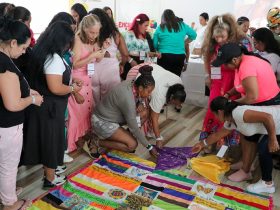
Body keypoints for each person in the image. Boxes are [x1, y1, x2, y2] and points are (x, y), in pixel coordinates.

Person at [21, 21, 81, 189]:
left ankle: (51, 173)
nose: (69, 45)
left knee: (49, 140)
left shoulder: (45, 53)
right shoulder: (53, 57)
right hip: (50, 108)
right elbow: (55, 87)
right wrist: (72, 88)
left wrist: (69, 81)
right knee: (50, 141)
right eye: (68, 41)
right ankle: (50, 178)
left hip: (46, 107)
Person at [211, 42, 280, 181]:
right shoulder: (246, 61)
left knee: (250, 137)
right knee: (246, 134)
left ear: (235, 60)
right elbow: (242, 85)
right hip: (265, 100)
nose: (224, 66)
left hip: (267, 102)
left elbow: (252, 96)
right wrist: (228, 94)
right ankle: (246, 163)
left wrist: (232, 104)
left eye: (225, 63)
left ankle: (246, 169)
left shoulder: (246, 66)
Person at [192, 96, 280, 194]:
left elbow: (268, 117)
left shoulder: (238, 113)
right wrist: (201, 144)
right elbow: (218, 135)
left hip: (277, 122)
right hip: (275, 123)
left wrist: (273, 139)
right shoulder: (231, 119)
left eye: (214, 114)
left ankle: (267, 184)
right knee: (252, 139)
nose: (215, 118)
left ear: (220, 112)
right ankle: (247, 168)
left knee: (264, 149)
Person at [0, 18, 43, 210]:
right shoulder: (5, 66)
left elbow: (12, 91)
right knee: (8, 166)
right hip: (7, 126)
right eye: (23, 48)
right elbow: (13, 104)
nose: (24, 52)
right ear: (13, 42)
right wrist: (32, 100)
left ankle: (5, 192)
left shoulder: (5, 59)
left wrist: (27, 91)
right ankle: (10, 203)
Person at [200, 14, 245, 150]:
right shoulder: (211, 45)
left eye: (222, 37)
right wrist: (207, 75)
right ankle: (209, 141)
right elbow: (207, 59)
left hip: (233, 81)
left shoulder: (238, 44)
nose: (219, 39)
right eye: (216, 36)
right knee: (213, 109)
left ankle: (225, 143)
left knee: (228, 110)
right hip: (216, 82)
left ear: (229, 33)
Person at [91, 65, 158, 157]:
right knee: (132, 145)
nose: (149, 94)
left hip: (114, 116)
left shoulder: (133, 83)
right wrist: (149, 147)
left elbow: (136, 101)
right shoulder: (127, 98)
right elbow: (134, 127)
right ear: (141, 88)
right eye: (148, 91)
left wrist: (139, 103)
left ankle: (125, 135)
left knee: (144, 112)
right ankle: (95, 142)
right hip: (102, 121)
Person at [67, 14, 105, 152]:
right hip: (77, 82)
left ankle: (82, 140)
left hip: (88, 80)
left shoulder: (92, 40)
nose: (94, 35)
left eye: (97, 32)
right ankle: (70, 145)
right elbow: (75, 65)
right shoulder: (77, 40)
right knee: (76, 115)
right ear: (84, 29)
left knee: (86, 113)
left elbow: (98, 60)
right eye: (91, 32)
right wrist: (92, 56)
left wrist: (102, 51)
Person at [127, 63, 186, 148]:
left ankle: (142, 131)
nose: (176, 106)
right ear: (172, 97)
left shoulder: (179, 84)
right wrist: (159, 138)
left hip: (149, 70)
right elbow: (154, 118)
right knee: (142, 112)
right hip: (137, 73)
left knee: (148, 110)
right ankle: (131, 133)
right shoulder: (160, 94)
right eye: (175, 103)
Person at [88, 8, 129, 107]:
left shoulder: (90, 33)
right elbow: (125, 54)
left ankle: (93, 120)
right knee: (110, 101)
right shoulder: (115, 34)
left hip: (91, 67)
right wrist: (122, 64)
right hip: (110, 69)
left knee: (93, 99)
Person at [153, 9, 197, 76]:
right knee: (176, 79)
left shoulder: (160, 27)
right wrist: (184, 42)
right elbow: (194, 35)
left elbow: (155, 42)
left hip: (164, 56)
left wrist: (157, 50)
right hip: (179, 57)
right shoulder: (182, 25)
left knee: (163, 79)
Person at [122, 13, 157, 79]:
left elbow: (151, 50)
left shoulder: (147, 35)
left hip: (145, 68)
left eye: (147, 26)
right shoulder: (129, 34)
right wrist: (131, 60)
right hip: (133, 66)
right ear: (138, 24)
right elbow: (129, 52)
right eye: (145, 25)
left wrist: (155, 54)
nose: (147, 28)